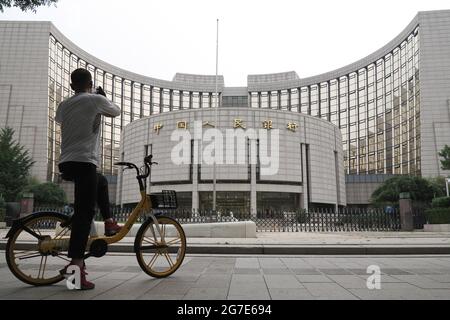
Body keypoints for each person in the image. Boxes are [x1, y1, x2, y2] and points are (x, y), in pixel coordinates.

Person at [55, 68, 121, 290]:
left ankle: (110, 222)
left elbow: (59, 119)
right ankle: (75, 272)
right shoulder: (94, 100)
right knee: (85, 216)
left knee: (101, 182)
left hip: (66, 161)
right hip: (84, 162)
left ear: (72, 85)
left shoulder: (64, 104)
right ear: (90, 84)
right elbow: (116, 111)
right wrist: (101, 97)